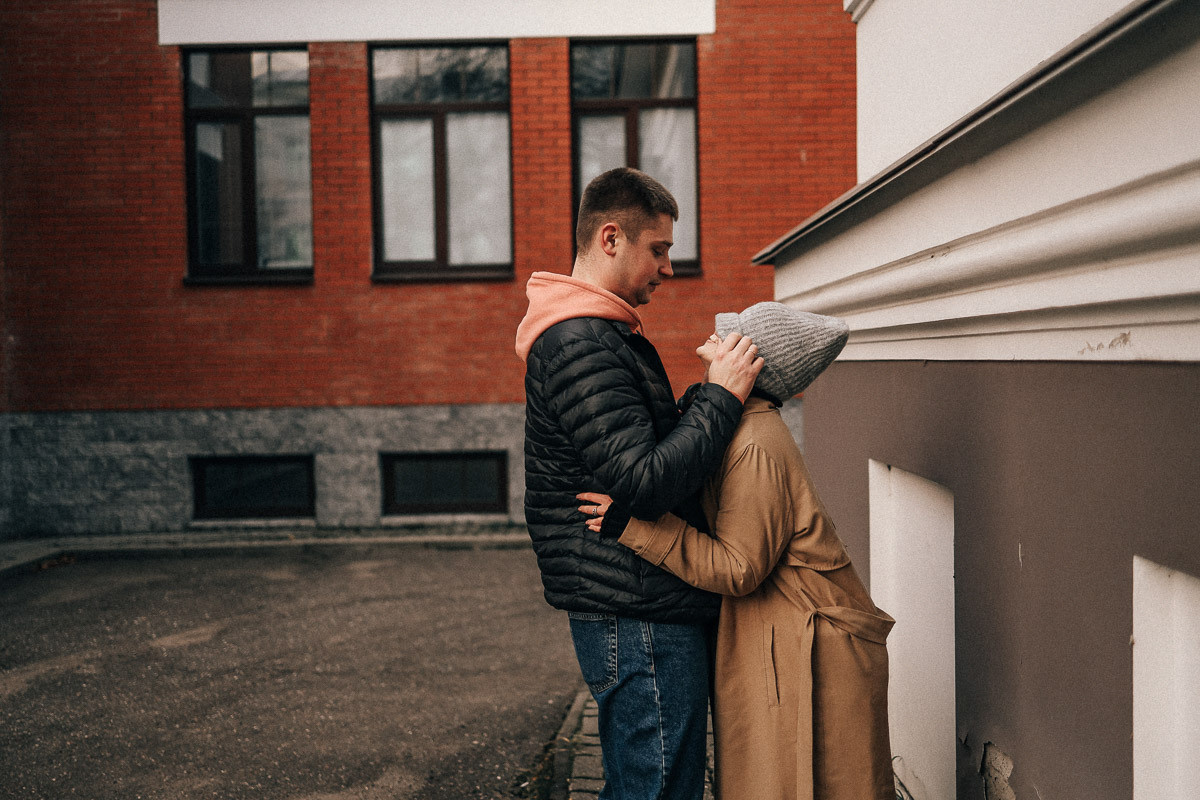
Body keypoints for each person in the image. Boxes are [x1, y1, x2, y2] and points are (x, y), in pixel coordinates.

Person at [578, 302, 895, 800]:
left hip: (805, 650)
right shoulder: (735, 425)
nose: (716, 329)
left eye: (735, 333)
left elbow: (738, 566)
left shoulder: (755, 442)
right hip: (779, 637)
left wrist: (635, 528)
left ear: (754, 359)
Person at [514, 167, 763, 800]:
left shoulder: (603, 334)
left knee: (644, 783)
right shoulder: (580, 343)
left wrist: (694, 406)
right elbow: (642, 482)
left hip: (639, 596)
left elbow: (638, 454)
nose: (668, 268)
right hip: (636, 605)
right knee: (656, 789)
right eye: (659, 249)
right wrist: (719, 398)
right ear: (610, 239)